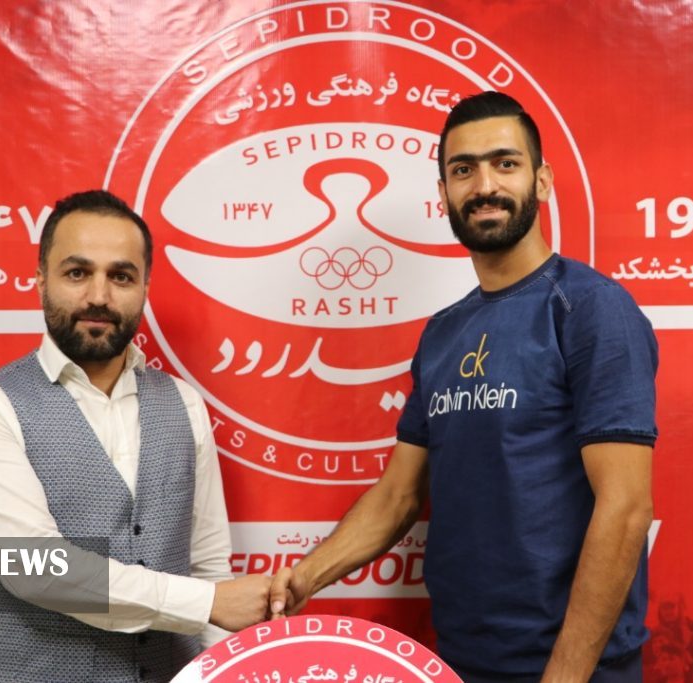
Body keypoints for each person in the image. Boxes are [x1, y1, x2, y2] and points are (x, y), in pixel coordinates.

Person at [269, 91, 659, 682]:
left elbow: (626, 508)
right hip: (458, 661)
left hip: (575, 669)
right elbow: (398, 496)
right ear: (444, 193)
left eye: (506, 163)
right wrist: (303, 579)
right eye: (463, 170)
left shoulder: (590, 309)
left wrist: (564, 675)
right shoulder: (444, 333)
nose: (484, 185)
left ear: (542, 181)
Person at [0, 190, 272, 682]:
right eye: (77, 273)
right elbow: (37, 568)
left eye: (121, 276)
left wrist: (219, 671)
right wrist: (207, 602)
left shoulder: (184, 404)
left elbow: (208, 564)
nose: (99, 296)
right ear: (41, 280)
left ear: (145, 287)